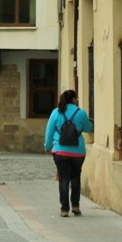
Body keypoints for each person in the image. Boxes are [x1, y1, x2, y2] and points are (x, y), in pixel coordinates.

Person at [43, 89, 93, 217]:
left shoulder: (56, 112)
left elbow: (49, 131)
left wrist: (47, 146)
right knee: (76, 177)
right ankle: (75, 206)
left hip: (60, 151)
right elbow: (88, 128)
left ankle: (64, 209)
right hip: (78, 152)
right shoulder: (81, 113)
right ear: (74, 99)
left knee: (63, 178)